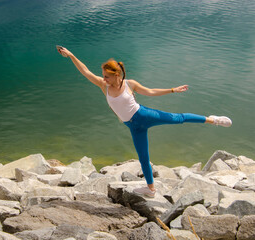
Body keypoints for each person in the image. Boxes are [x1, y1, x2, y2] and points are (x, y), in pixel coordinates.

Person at [56, 46, 232, 198]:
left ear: (117, 74)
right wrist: (71, 55)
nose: (104, 79)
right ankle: (151, 189)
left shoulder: (129, 84)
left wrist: (172, 90)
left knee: (178, 118)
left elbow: (150, 92)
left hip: (144, 115)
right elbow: (85, 71)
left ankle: (213, 120)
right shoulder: (104, 86)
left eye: (107, 76)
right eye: (103, 76)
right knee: (143, 158)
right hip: (134, 127)